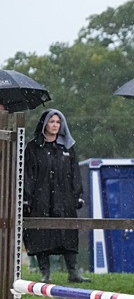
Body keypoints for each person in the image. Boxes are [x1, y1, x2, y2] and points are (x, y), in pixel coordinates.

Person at [23, 109, 88, 282]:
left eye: (58, 122)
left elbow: (75, 173)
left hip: (64, 198)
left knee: (67, 233)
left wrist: (78, 195)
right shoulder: (33, 147)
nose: (55, 125)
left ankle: (73, 272)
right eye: (51, 121)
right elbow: (28, 174)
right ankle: (45, 273)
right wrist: (26, 198)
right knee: (40, 233)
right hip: (40, 198)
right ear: (44, 124)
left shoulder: (67, 147)